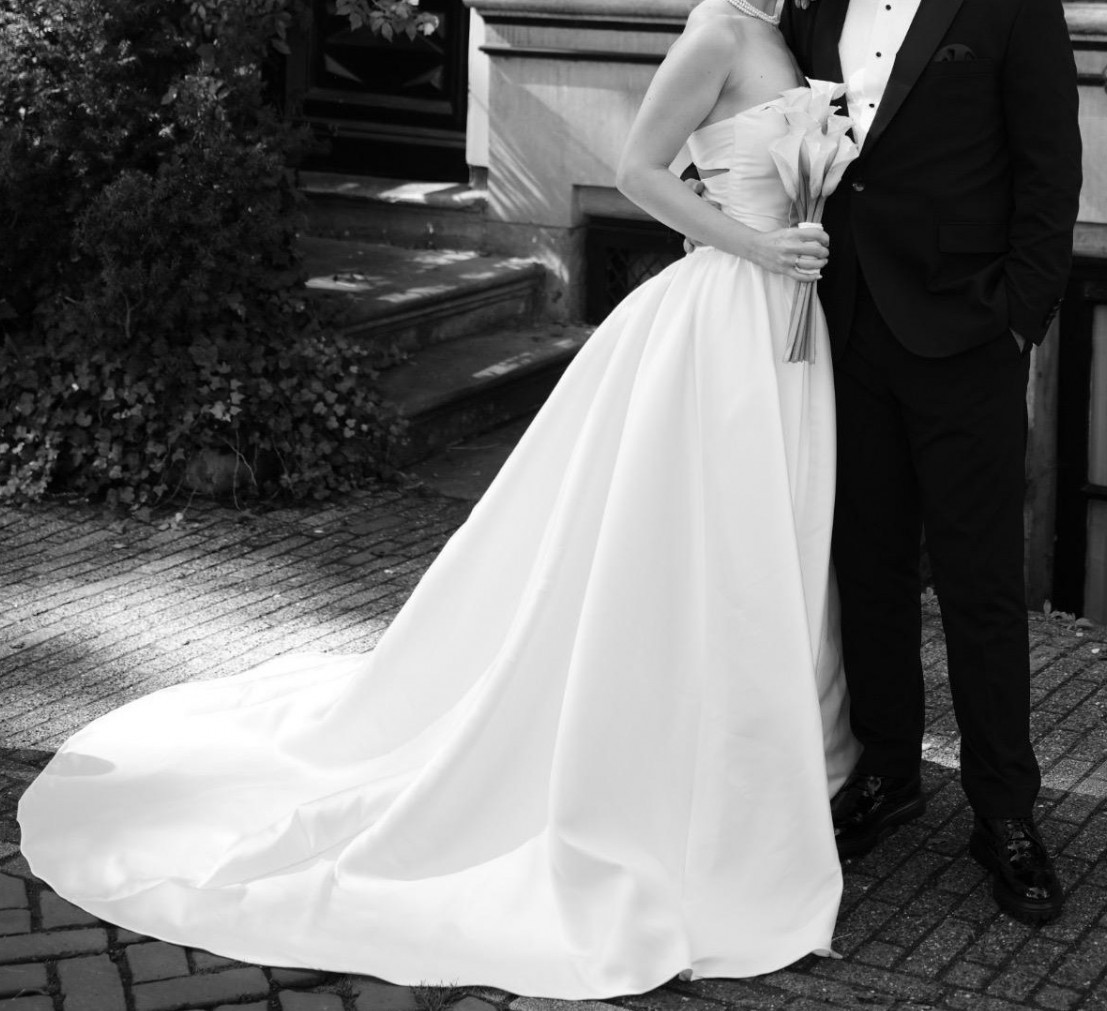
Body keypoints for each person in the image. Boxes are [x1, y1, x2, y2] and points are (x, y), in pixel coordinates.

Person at [19, 0, 859, 997]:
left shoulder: (795, 27)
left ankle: (761, 743)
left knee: (763, 532)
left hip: (785, 326)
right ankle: (661, 745)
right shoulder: (717, 27)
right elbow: (640, 171)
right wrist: (755, 247)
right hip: (727, 315)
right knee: (694, 539)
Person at [778, 0, 1081, 923]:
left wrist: (1019, 319)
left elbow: (1049, 165)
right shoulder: (812, 4)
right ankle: (888, 769)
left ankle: (1004, 809)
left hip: (968, 331)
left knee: (978, 581)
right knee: (866, 565)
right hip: (845, 323)